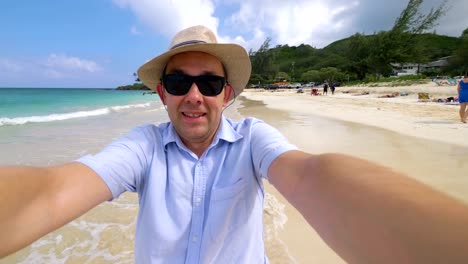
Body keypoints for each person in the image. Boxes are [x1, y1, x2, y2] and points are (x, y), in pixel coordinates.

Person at [2, 25, 468, 263]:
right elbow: (55, 190)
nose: (194, 96)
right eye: (179, 81)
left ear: (227, 93)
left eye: (208, 83)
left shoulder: (253, 139)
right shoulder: (143, 146)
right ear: (162, 93)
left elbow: (310, 175)